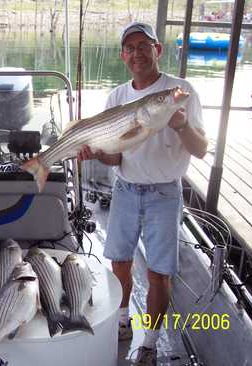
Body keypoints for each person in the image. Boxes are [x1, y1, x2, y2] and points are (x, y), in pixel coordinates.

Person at [78, 22, 208, 366]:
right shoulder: (117, 97)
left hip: (165, 194)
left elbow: (201, 150)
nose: (137, 53)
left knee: (159, 273)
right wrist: (95, 152)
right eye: (130, 48)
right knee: (119, 261)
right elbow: (115, 156)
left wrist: (180, 125)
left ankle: (149, 342)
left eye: (143, 45)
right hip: (125, 188)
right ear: (124, 56)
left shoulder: (181, 90)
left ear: (157, 49)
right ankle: (122, 322)